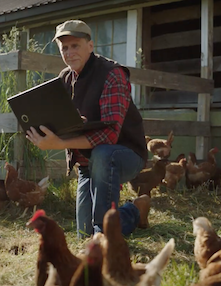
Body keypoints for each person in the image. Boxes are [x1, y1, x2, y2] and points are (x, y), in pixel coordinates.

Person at [25, 19, 150, 238]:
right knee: (84, 233)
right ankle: (134, 210)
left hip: (125, 154)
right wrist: (44, 133)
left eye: (75, 46)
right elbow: (62, 123)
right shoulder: (64, 78)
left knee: (103, 155)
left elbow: (110, 136)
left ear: (90, 46)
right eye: (64, 48)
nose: (69, 52)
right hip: (88, 163)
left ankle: (103, 235)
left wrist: (60, 143)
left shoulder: (112, 74)